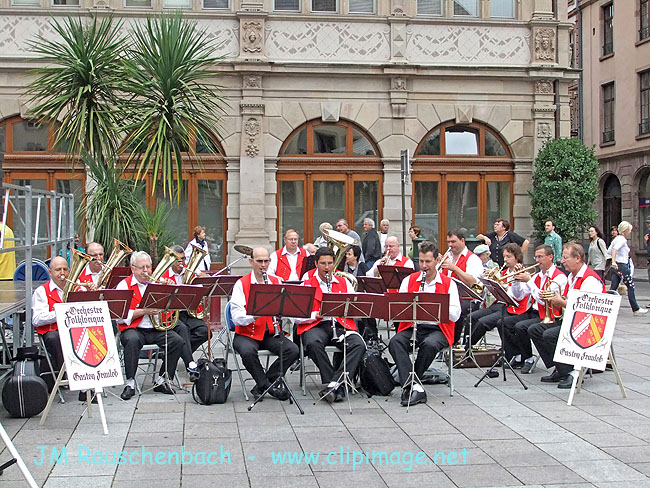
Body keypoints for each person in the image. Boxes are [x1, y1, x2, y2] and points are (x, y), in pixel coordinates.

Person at [388, 241, 461, 407]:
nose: (424, 266)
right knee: (395, 342)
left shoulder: (449, 283)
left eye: (428, 261)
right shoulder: (409, 280)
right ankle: (414, 386)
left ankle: (411, 383)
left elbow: (455, 315)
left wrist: (435, 307)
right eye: (421, 261)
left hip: (438, 328)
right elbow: (399, 308)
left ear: (436, 261)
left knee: (429, 344)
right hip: (414, 326)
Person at [528, 242, 605, 388]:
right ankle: (561, 368)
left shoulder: (590, 280)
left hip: (588, 326)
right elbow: (571, 302)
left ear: (577, 258)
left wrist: (562, 303)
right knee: (535, 330)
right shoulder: (572, 277)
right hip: (573, 321)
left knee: (550, 335)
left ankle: (572, 373)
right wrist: (560, 299)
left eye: (565, 258)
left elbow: (587, 310)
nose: (562, 261)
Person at [297, 247, 366, 403]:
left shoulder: (344, 282)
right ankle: (334, 382)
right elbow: (296, 317)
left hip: (340, 325)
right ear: (316, 264)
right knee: (313, 343)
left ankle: (334, 384)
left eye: (329, 263)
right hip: (316, 325)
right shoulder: (306, 284)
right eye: (323, 264)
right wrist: (316, 315)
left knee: (359, 344)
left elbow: (354, 308)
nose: (327, 267)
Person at [230, 247, 298, 401]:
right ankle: (269, 386)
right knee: (247, 352)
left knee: (292, 350)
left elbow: (286, 308)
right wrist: (255, 314)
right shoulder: (241, 284)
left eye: (266, 261)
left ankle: (262, 385)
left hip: (269, 332)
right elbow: (236, 317)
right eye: (259, 261)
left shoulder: (277, 281)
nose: (263, 265)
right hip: (247, 333)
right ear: (251, 262)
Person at [116, 251, 185, 400]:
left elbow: (172, 306)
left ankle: (162, 379)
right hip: (134, 329)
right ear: (133, 268)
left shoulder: (157, 283)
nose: (146, 271)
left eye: (148, 267)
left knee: (177, 341)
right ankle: (130, 383)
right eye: (142, 267)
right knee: (132, 340)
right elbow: (119, 318)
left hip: (156, 328)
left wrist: (170, 291)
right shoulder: (123, 286)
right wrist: (143, 311)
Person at [504, 244, 567, 373]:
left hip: (549, 314)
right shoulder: (538, 276)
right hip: (533, 311)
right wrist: (516, 280)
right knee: (505, 323)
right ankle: (521, 356)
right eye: (536, 257)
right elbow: (519, 295)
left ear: (550, 257)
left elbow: (545, 300)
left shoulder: (559, 277)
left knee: (522, 327)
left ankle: (548, 364)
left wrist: (529, 280)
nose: (537, 261)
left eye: (540, 257)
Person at [466, 243, 531, 348]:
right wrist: (489, 282)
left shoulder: (523, 274)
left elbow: (517, 296)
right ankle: (465, 347)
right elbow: (494, 293)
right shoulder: (504, 272)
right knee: (471, 317)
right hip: (498, 305)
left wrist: (503, 286)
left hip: (513, 308)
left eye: (508, 257)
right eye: (504, 256)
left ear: (517, 257)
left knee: (483, 323)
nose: (505, 259)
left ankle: (467, 348)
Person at [160, 245, 209, 381]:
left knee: (205, 331)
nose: (182, 264)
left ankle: (176, 352)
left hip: (187, 312)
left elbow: (202, 292)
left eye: (183, 259)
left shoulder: (191, 271)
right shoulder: (164, 275)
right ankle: (191, 365)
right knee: (183, 330)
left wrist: (203, 280)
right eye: (178, 260)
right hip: (170, 315)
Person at [440, 229, 484, 344]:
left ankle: (452, 343)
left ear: (463, 240)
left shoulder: (473, 259)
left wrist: (454, 268)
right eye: (448, 242)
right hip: (447, 297)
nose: (450, 245)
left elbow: (473, 282)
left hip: (466, 299)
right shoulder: (447, 257)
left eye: (453, 242)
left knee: (453, 310)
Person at [31, 256, 68, 388]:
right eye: (58, 269)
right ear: (50, 272)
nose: (62, 273)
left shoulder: (74, 288)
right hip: (52, 331)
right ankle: (64, 374)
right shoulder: (41, 291)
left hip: (72, 329)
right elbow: (36, 319)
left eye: (65, 269)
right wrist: (60, 313)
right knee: (55, 338)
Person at [609, 221, 647, 316]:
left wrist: (614, 261)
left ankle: (606, 307)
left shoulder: (616, 239)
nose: (630, 232)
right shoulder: (622, 240)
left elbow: (609, 250)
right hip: (622, 265)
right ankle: (636, 309)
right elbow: (614, 249)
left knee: (613, 288)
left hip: (616, 266)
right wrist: (614, 261)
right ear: (625, 230)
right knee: (630, 287)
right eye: (629, 230)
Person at [644, 218, 650, 283]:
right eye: (648, 223)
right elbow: (647, 245)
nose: (648, 225)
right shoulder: (647, 232)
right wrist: (645, 240)